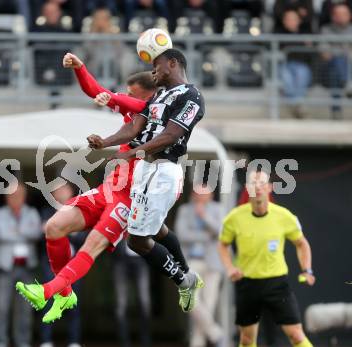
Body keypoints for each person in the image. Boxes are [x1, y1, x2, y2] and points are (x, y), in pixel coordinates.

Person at [16, 51, 195, 323]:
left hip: (133, 195)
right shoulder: (141, 112)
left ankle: (48, 291)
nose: (126, 97)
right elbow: (97, 91)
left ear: (146, 96)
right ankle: (65, 294)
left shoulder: (154, 109)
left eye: (131, 94)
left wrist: (112, 99)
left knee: (103, 242)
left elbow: (117, 99)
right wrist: (80, 67)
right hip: (109, 189)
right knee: (53, 227)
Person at [87, 48, 205, 312]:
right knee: (155, 229)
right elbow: (133, 128)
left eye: (157, 65)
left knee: (136, 239)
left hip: (165, 170)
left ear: (173, 64)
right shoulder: (159, 95)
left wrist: (129, 154)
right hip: (145, 169)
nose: (153, 71)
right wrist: (104, 142)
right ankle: (186, 274)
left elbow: (170, 136)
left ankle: (183, 279)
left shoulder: (192, 96)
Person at [218, 170, 316, 347]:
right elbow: (222, 245)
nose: (258, 187)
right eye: (253, 184)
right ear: (247, 188)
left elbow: (302, 244)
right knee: (247, 339)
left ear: (270, 188)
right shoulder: (234, 218)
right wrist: (230, 268)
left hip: (277, 284)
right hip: (248, 284)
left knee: (296, 335)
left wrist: (307, 269)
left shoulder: (284, 216)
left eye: (262, 183)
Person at [0, 182, 42, 347]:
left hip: (27, 267)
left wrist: (15, 231)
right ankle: (1, 341)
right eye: (12, 196)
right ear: (6, 197)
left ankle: (23, 341)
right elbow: (1, 234)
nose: (15, 199)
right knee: (2, 307)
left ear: (24, 197)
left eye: (19, 195)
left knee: (25, 308)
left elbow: (37, 233)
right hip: (5, 267)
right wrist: (24, 231)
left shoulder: (32, 212)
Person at [176, 184, 224, 347]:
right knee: (190, 300)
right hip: (191, 261)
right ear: (193, 194)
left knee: (209, 305)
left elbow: (221, 231)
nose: (201, 197)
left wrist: (204, 218)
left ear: (211, 195)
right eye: (198, 193)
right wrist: (207, 236)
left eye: (205, 194)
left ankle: (197, 343)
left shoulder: (218, 209)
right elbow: (182, 234)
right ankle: (215, 333)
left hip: (213, 262)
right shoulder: (184, 210)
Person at [39, 183, 83, 347]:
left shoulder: (78, 211)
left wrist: (61, 230)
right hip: (51, 263)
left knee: (73, 301)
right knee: (48, 300)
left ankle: (73, 341)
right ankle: (46, 340)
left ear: (70, 192)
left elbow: (83, 235)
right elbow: (45, 233)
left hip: (73, 264)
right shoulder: (47, 212)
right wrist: (68, 229)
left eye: (63, 189)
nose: (60, 192)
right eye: (57, 190)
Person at [112, 240, 152, 347]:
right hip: (120, 260)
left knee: (145, 303)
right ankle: (124, 343)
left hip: (141, 259)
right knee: (121, 305)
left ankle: (145, 341)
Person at [275, 9, 313, 118]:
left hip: (301, 65)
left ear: (299, 21)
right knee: (285, 76)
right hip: (284, 65)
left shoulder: (305, 33)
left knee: (302, 73)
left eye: (293, 19)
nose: (291, 21)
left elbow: (308, 54)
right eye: (288, 19)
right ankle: (298, 105)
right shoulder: (278, 33)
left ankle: (295, 104)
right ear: (283, 21)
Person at [320, 3, 352, 119]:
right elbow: (325, 54)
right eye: (338, 14)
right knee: (337, 64)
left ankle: (336, 111)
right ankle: (347, 84)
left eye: (345, 14)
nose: (342, 17)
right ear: (333, 16)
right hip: (330, 68)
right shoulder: (326, 30)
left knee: (337, 71)